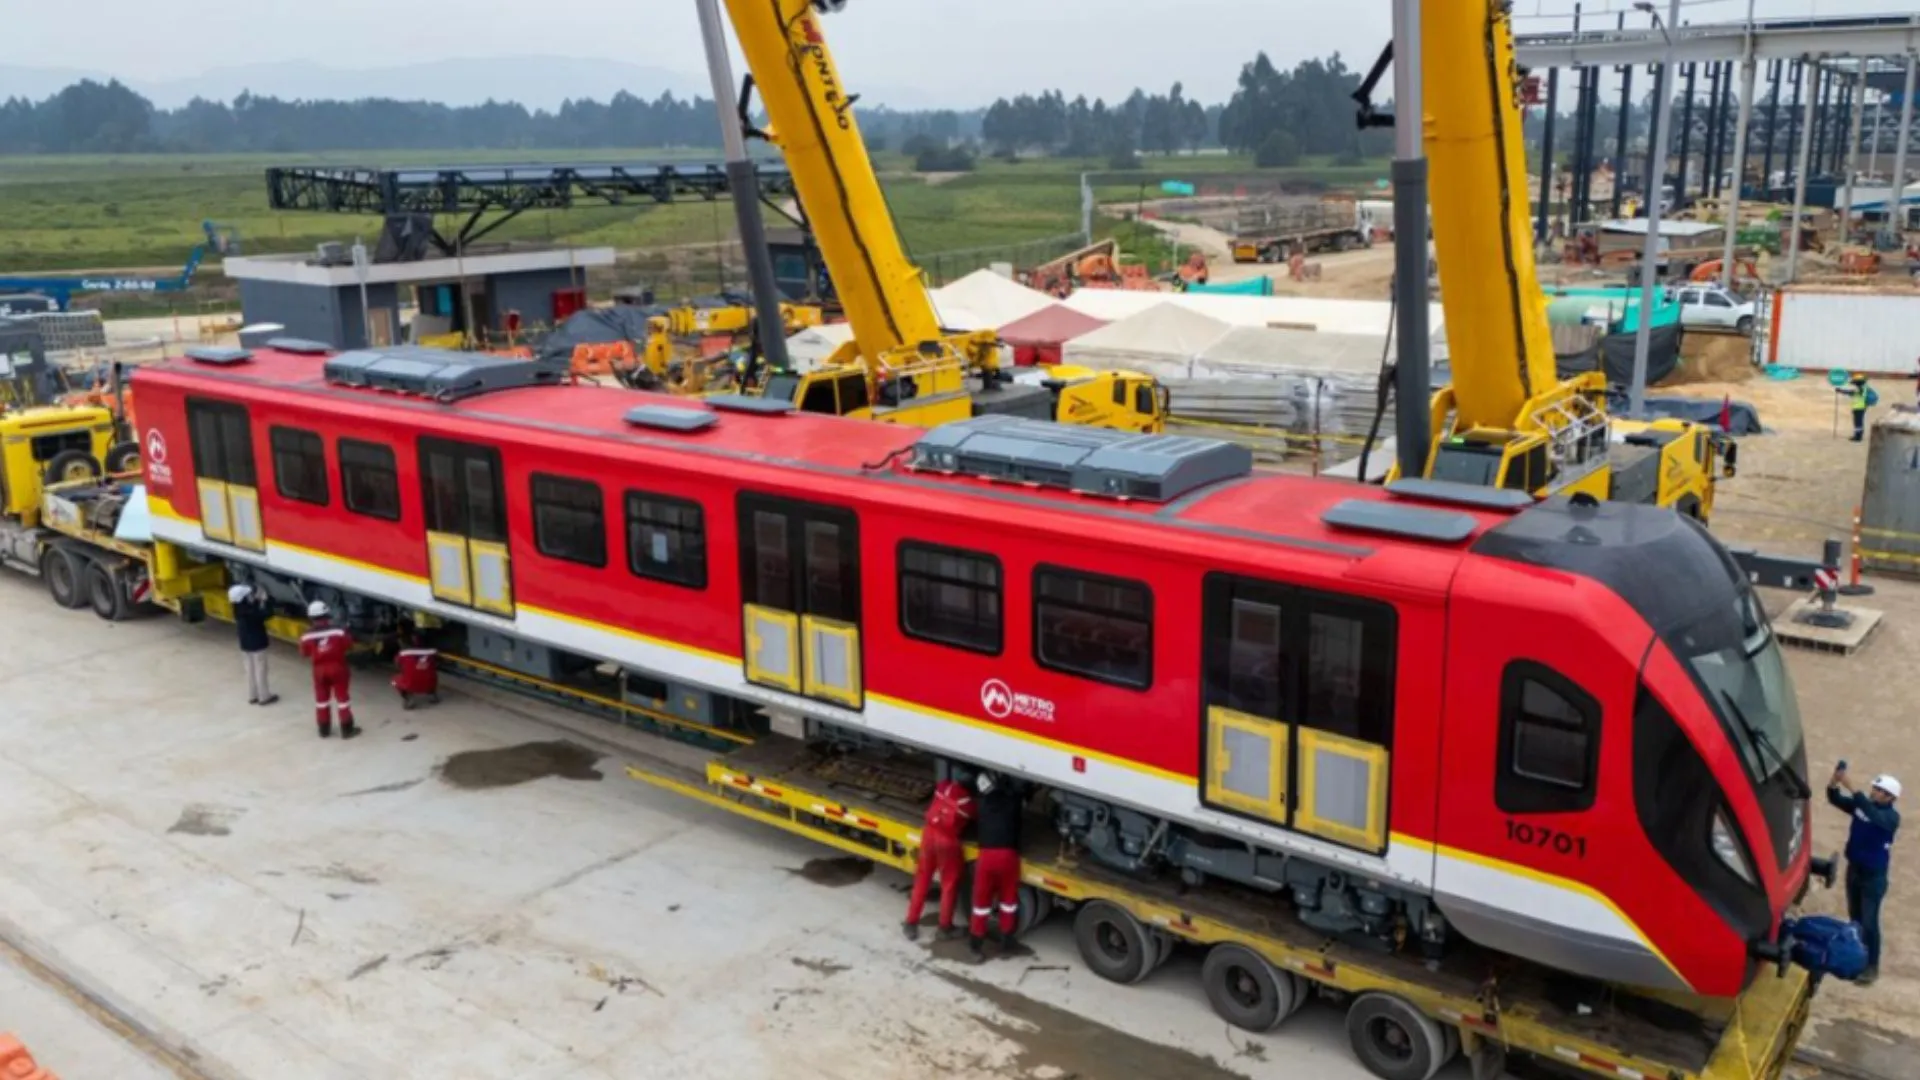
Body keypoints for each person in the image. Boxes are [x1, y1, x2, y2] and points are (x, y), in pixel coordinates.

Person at [1827, 767, 1900, 985]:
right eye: (1874, 788)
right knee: (1856, 919)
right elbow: (1836, 799)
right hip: (1855, 870)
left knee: (1869, 922)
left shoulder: (1890, 817)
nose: (1874, 791)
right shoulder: (1865, 807)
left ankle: (1871, 966)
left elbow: (1871, 813)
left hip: (1873, 877)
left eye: (1879, 790)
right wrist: (1834, 782)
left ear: (1890, 797)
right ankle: (1856, 960)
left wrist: (1851, 786)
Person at [902, 774, 974, 941]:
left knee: (922, 879)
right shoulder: (969, 804)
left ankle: (911, 923)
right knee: (948, 885)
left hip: (929, 834)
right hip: (947, 842)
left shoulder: (943, 787)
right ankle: (944, 927)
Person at [968, 770, 1024, 962]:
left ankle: (976, 946)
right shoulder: (1011, 803)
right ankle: (1006, 943)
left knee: (981, 902)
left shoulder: (982, 805)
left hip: (987, 856)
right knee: (1008, 900)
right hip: (1008, 856)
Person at [298, 600, 359, 739]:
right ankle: (347, 729)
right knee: (342, 698)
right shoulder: (338, 631)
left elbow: (304, 653)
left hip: (319, 671)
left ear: (311, 617)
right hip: (338, 668)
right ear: (327, 614)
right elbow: (349, 645)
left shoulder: (306, 636)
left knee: (321, 700)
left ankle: (324, 729)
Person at [229, 584, 278, 706]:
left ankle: (253, 695)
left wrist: (257, 599)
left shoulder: (238, 609)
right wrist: (266, 600)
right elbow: (267, 614)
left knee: (249, 670)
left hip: (245, 644)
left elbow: (252, 607)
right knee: (261, 669)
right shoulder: (249, 611)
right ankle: (264, 696)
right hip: (257, 643)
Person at [1836, 373, 1873, 442]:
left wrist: (1841, 391)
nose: (1854, 384)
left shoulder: (1860, 389)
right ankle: (1858, 435)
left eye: (1855, 382)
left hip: (1859, 407)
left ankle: (1858, 437)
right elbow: (1852, 393)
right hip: (1861, 407)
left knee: (1858, 422)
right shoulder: (1864, 388)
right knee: (1859, 421)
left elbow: (1851, 392)